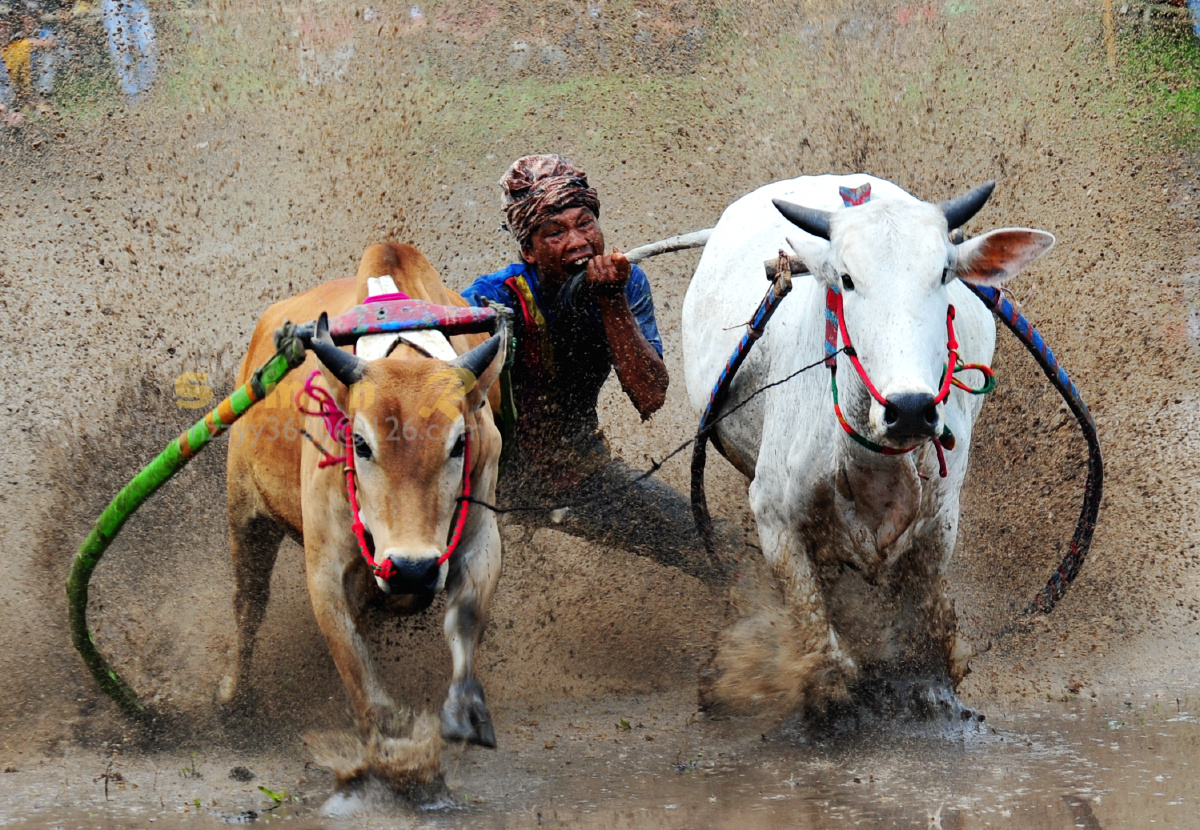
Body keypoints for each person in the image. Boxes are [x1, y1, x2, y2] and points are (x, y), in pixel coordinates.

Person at [459, 153, 726, 582]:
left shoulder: (627, 283)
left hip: (579, 471)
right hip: (482, 478)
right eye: (555, 232)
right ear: (528, 249)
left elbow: (650, 396)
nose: (579, 241)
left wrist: (611, 301)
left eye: (586, 223)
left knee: (717, 545)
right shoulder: (492, 299)